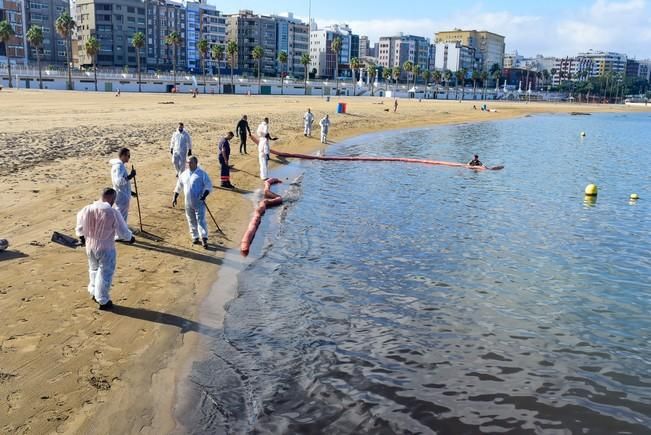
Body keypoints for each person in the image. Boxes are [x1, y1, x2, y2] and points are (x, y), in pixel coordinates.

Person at [75, 188, 135, 310]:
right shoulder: (112, 212)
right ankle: (102, 300)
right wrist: (130, 238)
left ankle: (93, 291)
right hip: (106, 247)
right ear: (112, 198)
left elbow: (79, 228)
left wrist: (81, 237)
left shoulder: (86, 209)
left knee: (93, 269)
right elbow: (123, 231)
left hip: (90, 246)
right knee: (105, 273)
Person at [173, 156, 213, 248]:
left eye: (190, 163)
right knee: (191, 220)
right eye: (187, 163)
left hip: (199, 201)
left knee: (201, 220)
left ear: (195, 163)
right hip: (188, 202)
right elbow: (179, 185)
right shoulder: (184, 174)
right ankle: (195, 236)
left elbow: (208, 185)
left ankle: (204, 238)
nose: (188, 164)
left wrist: (204, 195)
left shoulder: (202, 174)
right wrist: (175, 196)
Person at [109, 147, 137, 225]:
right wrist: (130, 176)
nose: (129, 157)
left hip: (121, 193)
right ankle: (120, 234)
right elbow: (118, 182)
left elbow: (120, 184)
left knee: (119, 215)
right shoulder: (119, 166)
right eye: (128, 156)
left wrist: (130, 192)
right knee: (121, 217)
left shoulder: (119, 166)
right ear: (122, 156)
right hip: (122, 196)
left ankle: (120, 232)